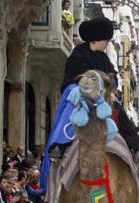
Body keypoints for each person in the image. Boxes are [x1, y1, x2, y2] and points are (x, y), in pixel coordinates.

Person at [41, 16, 118, 192]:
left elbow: (112, 75)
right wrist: (94, 85)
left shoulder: (104, 58)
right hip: (79, 91)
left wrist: (111, 87)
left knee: (119, 112)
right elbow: (76, 76)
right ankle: (60, 144)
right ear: (97, 39)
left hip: (102, 95)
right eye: (106, 40)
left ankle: (134, 148)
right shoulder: (78, 54)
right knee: (71, 109)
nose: (107, 43)